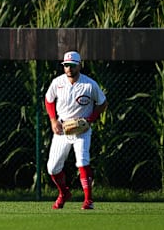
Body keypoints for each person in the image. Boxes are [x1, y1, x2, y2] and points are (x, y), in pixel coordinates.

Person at [44, 50, 107, 210]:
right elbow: (49, 100)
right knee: (52, 167)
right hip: (62, 128)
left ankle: (88, 200)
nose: (69, 69)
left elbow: (103, 103)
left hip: (81, 130)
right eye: (66, 65)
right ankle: (64, 193)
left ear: (80, 65)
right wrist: (53, 120)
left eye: (72, 65)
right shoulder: (57, 82)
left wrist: (90, 119)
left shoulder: (89, 84)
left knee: (82, 161)